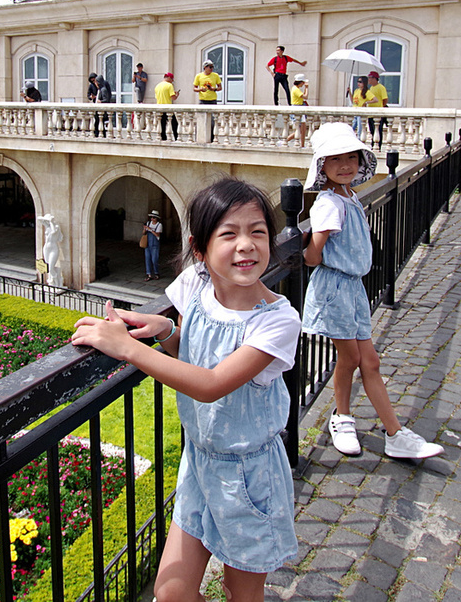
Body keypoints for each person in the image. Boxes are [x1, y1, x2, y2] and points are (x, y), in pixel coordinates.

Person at [71, 178, 300, 602]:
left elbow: (212, 384)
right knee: (171, 592)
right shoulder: (197, 287)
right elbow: (198, 353)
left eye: (257, 232)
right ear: (200, 249)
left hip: (248, 477)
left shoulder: (278, 321)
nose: (246, 245)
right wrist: (169, 330)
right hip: (199, 465)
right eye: (228, 234)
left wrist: (126, 348)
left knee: (241, 592)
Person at [301, 122, 443, 461]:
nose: (346, 165)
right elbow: (312, 256)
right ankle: (383, 429)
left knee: (358, 359)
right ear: (323, 167)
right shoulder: (330, 204)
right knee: (366, 360)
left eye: (351, 156)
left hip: (351, 289)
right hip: (336, 288)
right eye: (336, 159)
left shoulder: (347, 197)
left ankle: (348, 418)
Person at [283, 73, 310, 148]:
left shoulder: (296, 89)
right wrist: (307, 88)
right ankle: (286, 140)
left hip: (300, 107)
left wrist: (305, 88)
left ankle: (302, 144)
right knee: (300, 129)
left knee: (303, 129)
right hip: (297, 108)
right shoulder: (295, 89)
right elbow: (305, 96)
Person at [364, 70, 389, 151]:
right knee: (372, 130)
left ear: (375, 79)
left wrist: (380, 107)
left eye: (370, 78)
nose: (369, 80)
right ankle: (373, 144)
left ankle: (378, 146)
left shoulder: (381, 87)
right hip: (370, 113)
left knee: (378, 130)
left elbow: (385, 99)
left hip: (378, 113)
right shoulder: (371, 88)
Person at [155, 71, 180, 141]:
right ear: (169, 78)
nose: (172, 81)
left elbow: (157, 97)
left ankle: (163, 139)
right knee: (174, 124)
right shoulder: (169, 85)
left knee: (162, 125)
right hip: (168, 107)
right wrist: (177, 95)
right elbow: (173, 97)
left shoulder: (157, 86)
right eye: (172, 79)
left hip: (160, 108)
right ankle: (177, 138)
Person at [89, 72, 113, 137]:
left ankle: (101, 134)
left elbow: (106, 100)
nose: (95, 84)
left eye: (96, 82)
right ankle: (99, 134)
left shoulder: (103, 90)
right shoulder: (100, 90)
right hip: (98, 110)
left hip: (102, 110)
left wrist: (101, 101)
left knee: (99, 123)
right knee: (97, 123)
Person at [143, 210, 162, 280]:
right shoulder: (148, 223)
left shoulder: (159, 225)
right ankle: (149, 274)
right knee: (147, 259)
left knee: (154, 259)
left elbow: (157, 235)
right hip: (148, 243)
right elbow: (143, 233)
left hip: (155, 244)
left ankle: (156, 272)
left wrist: (150, 230)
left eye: (154, 217)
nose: (152, 219)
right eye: (151, 217)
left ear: (157, 219)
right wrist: (145, 229)